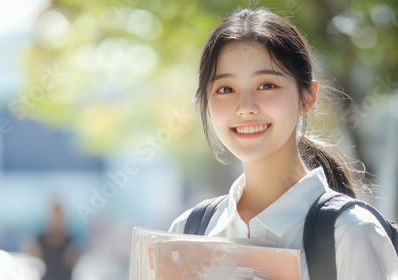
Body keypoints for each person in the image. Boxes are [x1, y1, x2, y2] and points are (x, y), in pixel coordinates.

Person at [168, 7, 398, 279]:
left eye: (266, 85)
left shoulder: (351, 233)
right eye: (226, 89)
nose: (245, 107)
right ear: (206, 102)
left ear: (307, 97)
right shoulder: (188, 233)